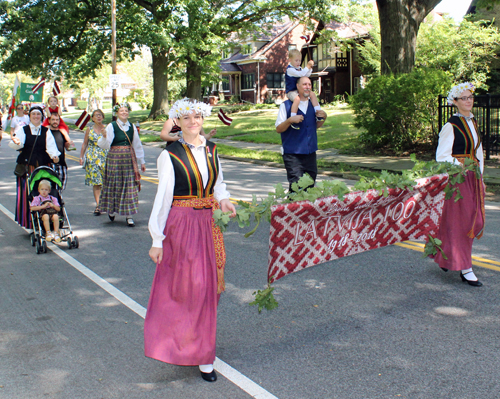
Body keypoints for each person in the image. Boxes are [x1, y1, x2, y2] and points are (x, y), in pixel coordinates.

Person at [145, 98, 236, 383]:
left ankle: (204, 355)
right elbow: (162, 200)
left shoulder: (212, 149)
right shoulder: (169, 155)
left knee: (208, 287)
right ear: (177, 123)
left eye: (197, 117)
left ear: (203, 120)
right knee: (189, 287)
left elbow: (218, 182)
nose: (193, 122)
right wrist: (157, 239)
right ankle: (180, 344)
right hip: (182, 225)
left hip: (208, 223)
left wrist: (223, 200)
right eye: (186, 118)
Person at [434, 82, 485, 287]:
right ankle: (466, 268)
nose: (468, 101)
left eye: (470, 97)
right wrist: (462, 164)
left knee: (475, 220)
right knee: (464, 223)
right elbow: (442, 156)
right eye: (463, 98)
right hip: (458, 179)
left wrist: (480, 177)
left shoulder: (472, 122)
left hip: (473, 178)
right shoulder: (451, 126)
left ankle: (445, 254)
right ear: (454, 102)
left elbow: (478, 153)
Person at [8, 106, 60, 229]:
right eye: (33, 114)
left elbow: (51, 148)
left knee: (45, 191)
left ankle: (48, 219)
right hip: (27, 167)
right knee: (28, 193)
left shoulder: (46, 131)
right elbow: (17, 144)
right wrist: (16, 142)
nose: (36, 116)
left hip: (42, 167)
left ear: (41, 116)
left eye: (38, 114)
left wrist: (55, 157)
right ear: (29, 116)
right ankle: (29, 222)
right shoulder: (23, 130)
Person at [275, 76, 327, 191]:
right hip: (293, 154)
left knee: (310, 187)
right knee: (296, 188)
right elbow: (278, 129)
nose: (307, 87)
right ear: (297, 86)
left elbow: (315, 126)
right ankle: (290, 208)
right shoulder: (286, 106)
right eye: (304, 84)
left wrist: (324, 117)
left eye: (309, 84)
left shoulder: (314, 105)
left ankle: (306, 209)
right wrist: (289, 120)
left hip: (310, 153)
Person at [97, 102, 146, 226]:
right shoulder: (111, 126)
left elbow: (137, 144)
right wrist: (103, 137)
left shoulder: (132, 127)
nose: (124, 112)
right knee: (114, 184)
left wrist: (142, 161)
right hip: (115, 158)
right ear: (117, 113)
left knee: (129, 185)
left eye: (126, 110)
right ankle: (112, 210)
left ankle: (129, 215)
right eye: (122, 111)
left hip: (129, 159)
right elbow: (105, 144)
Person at [79, 109, 108, 215]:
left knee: (106, 181)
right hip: (92, 158)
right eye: (96, 115)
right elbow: (85, 143)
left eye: (100, 115)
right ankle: (98, 205)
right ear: (93, 118)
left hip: (105, 156)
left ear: (103, 117)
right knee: (96, 182)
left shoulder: (107, 128)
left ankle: (107, 203)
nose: (98, 117)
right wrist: (81, 156)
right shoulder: (89, 129)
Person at [286, 49, 322, 129]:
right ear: (290, 60)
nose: (298, 62)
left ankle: (318, 113)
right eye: (296, 60)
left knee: (312, 94)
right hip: (291, 91)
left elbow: (306, 75)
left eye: (299, 60)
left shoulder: (300, 68)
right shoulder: (290, 70)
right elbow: (301, 74)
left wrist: (310, 68)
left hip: (299, 90)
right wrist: (307, 66)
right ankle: (293, 119)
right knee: (297, 99)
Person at [48, 114, 74, 190]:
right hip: (49, 164)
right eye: (53, 120)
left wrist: (69, 145)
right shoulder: (46, 132)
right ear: (49, 121)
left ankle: (58, 201)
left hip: (61, 164)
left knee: (60, 188)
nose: (55, 122)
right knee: (49, 189)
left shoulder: (62, 132)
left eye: (57, 120)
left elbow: (68, 148)